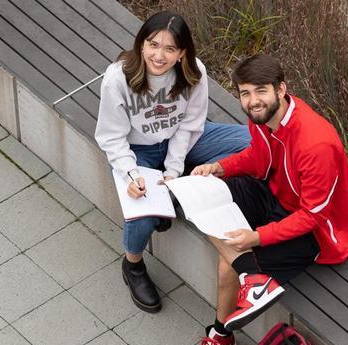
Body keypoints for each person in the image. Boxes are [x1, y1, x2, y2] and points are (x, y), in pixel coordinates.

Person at [191, 55, 348, 344]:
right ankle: (252, 279)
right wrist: (220, 168)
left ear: (281, 90)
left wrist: (257, 237)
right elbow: (258, 158)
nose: (252, 100)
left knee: (229, 264)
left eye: (261, 91)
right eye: (245, 93)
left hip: (315, 232)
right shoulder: (262, 118)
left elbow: (312, 216)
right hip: (274, 192)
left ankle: (221, 334)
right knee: (204, 194)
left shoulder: (315, 143)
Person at [94, 11, 250, 314]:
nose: (159, 55)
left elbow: (191, 125)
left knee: (250, 141)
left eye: (169, 49)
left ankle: (178, 192)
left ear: (181, 53)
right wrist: (130, 173)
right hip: (138, 149)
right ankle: (133, 265)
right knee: (143, 214)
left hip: (183, 141)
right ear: (141, 44)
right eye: (153, 44)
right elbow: (111, 136)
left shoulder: (194, 72)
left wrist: (175, 169)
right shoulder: (118, 77)